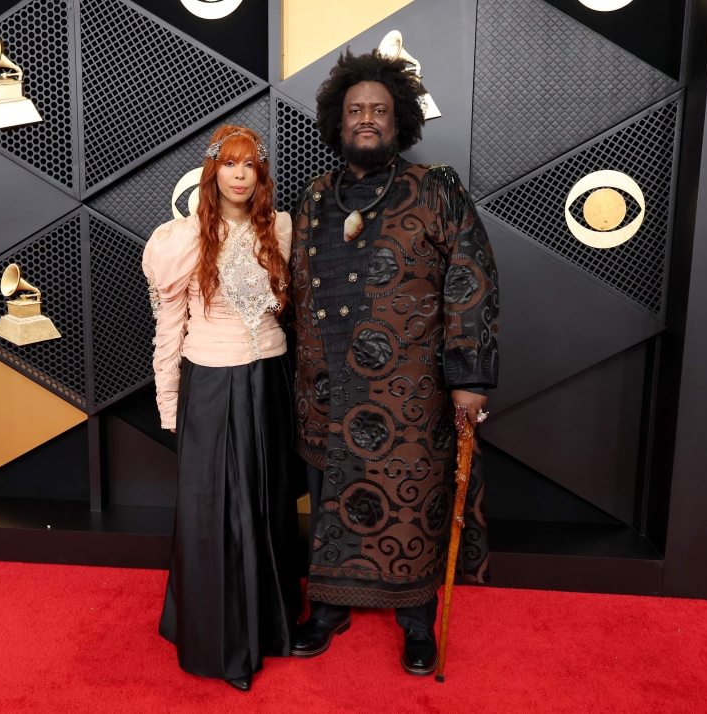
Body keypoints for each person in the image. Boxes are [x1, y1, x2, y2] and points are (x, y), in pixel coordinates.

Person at [288, 49, 500, 676]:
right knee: (331, 499)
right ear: (338, 120)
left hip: (411, 395)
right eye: (356, 110)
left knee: (413, 506)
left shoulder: (436, 189)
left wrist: (469, 379)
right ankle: (327, 610)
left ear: (399, 119)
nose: (367, 120)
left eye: (379, 110)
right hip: (326, 388)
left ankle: (416, 624)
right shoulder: (314, 198)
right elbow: (294, 289)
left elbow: (471, 282)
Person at [142, 125, 301, 692]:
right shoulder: (181, 240)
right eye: (229, 165)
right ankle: (224, 642)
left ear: (260, 175)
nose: (239, 174)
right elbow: (168, 329)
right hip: (211, 384)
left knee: (268, 503)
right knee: (219, 514)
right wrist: (170, 405)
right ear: (212, 173)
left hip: (271, 379)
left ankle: (274, 625)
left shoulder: (279, 228)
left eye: (250, 165)